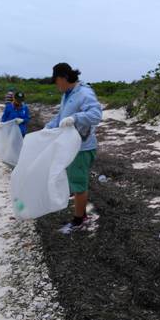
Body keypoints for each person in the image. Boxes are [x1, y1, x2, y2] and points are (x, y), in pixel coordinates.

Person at [44, 63, 102, 233]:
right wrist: (48, 128)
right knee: (75, 182)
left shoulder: (84, 93)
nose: (56, 86)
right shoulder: (68, 94)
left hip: (82, 147)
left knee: (78, 183)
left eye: (56, 82)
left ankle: (79, 220)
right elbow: (61, 116)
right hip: (71, 145)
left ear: (62, 78)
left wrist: (75, 118)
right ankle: (80, 212)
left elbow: (96, 115)